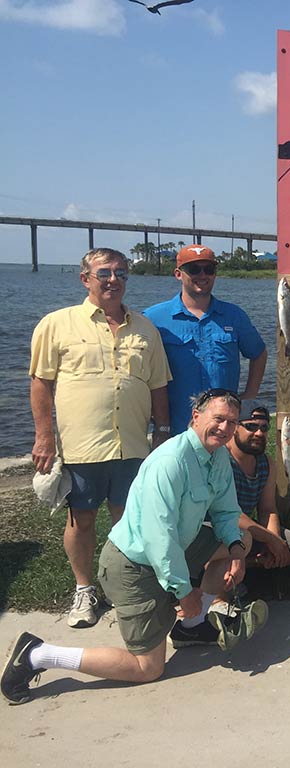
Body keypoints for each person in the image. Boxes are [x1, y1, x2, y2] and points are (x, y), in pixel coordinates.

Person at [2, 389, 269, 706]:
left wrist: (237, 552)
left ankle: (191, 627)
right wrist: (184, 592)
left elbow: (226, 511)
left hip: (175, 549)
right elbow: (160, 538)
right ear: (195, 417)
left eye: (231, 422)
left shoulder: (218, 456)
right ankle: (37, 654)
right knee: (148, 668)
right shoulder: (170, 462)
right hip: (133, 566)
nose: (224, 429)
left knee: (243, 539)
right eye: (218, 419)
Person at [29, 247, 171, 629]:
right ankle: (84, 588)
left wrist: (162, 431)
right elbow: (41, 383)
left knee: (130, 518)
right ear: (85, 279)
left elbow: (158, 386)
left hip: (133, 443)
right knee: (83, 519)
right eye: (105, 272)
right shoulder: (57, 324)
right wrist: (44, 437)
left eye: (121, 273)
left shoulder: (145, 329)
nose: (114, 280)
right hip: (82, 444)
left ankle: (127, 587)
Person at [144, 245, 267, 436]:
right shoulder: (154, 318)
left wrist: (249, 396)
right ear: (178, 274)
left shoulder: (234, 315)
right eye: (194, 269)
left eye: (208, 270)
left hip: (224, 429)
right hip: (176, 427)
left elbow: (258, 353)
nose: (202, 275)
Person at [227, 402, 290, 578]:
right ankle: (221, 579)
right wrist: (268, 539)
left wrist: (274, 541)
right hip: (218, 528)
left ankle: (251, 566)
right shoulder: (221, 460)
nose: (259, 433)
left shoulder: (266, 463)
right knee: (240, 540)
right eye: (251, 426)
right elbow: (229, 513)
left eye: (264, 428)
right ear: (234, 427)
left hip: (247, 530)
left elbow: (268, 509)